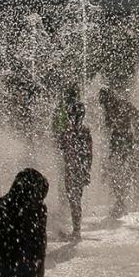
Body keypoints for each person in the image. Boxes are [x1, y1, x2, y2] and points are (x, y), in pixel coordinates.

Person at [53, 87, 91, 240]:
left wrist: (86, 171)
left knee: (74, 199)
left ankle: (76, 231)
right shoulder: (79, 131)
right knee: (73, 199)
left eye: (76, 116)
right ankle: (75, 229)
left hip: (74, 170)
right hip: (73, 169)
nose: (74, 119)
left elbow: (88, 153)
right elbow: (88, 154)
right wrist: (87, 171)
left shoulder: (70, 131)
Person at [99, 89, 137, 218]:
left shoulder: (121, 105)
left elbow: (136, 115)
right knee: (116, 172)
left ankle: (121, 203)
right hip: (119, 140)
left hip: (123, 140)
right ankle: (120, 202)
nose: (104, 106)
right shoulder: (116, 106)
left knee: (119, 172)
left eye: (104, 102)